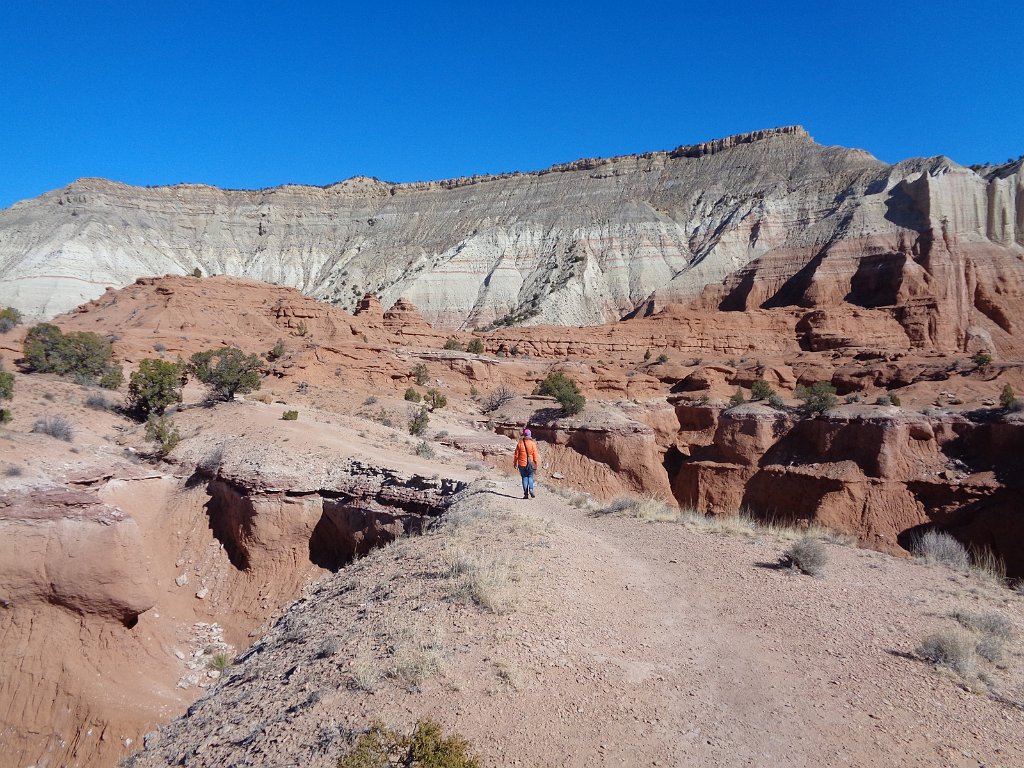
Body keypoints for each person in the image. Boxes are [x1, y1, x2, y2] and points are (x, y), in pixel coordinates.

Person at [513, 427, 540, 499]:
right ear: (530, 435)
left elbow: (516, 455)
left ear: (524, 435)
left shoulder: (520, 444)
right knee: (530, 476)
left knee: (524, 478)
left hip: (521, 463)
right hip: (530, 463)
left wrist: (515, 463)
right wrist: (536, 463)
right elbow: (535, 455)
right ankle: (531, 489)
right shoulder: (532, 444)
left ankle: (525, 494)